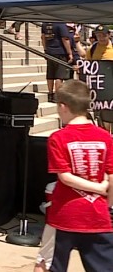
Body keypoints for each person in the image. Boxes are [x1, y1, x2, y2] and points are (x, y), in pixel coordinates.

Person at [45, 79, 113, 271]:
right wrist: (106, 201)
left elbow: (65, 176)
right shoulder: (105, 137)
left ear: (63, 107)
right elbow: (111, 175)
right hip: (98, 215)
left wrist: (97, 188)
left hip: (64, 215)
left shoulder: (58, 138)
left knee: (54, 265)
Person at [41, 22, 73, 103]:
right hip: (60, 52)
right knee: (60, 76)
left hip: (49, 51)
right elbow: (65, 38)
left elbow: (43, 37)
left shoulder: (45, 24)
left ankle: (50, 94)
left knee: (50, 74)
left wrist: (45, 50)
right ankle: (57, 96)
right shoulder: (60, 24)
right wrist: (69, 53)